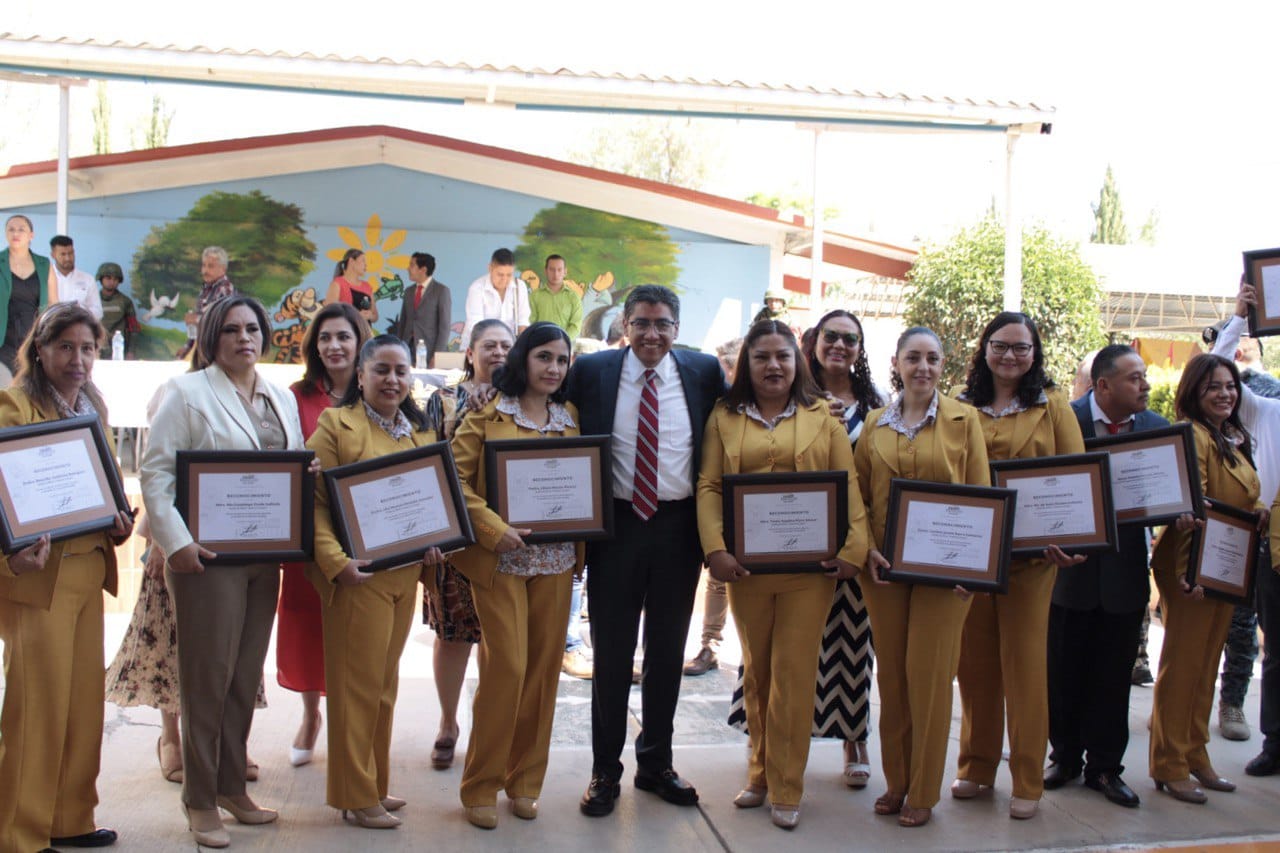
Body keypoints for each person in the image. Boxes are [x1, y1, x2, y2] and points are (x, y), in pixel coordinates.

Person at [141, 294, 306, 848]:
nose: (245, 338)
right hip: (205, 561)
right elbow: (157, 472)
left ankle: (234, 788)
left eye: (253, 328)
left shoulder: (280, 397)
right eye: (232, 329)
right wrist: (177, 544)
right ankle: (200, 799)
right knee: (206, 679)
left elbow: (294, 471)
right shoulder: (186, 393)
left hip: (265, 560)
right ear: (213, 337)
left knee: (242, 679)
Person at [697, 319, 870, 829]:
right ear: (746, 365)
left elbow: (849, 487)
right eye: (761, 357)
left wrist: (853, 548)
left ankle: (787, 785)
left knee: (793, 676)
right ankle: (759, 775)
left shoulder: (824, 417)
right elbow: (709, 485)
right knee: (757, 673)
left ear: (798, 363)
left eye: (782, 357)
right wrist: (716, 549)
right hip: (746, 570)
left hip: (809, 572)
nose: (773, 366)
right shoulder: (724, 417)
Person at [567, 284, 725, 817]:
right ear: (625, 326)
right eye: (641, 323)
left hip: (679, 530)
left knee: (666, 654)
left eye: (662, 324)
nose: (651, 334)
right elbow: (539, 402)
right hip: (617, 530)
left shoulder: (703, 371)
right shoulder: (592, 372)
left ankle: (655, 764)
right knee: (611, 657)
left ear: (677, 329)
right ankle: (604, 773)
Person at [0, 303, 133, 853]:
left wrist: (118, 520)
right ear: (39, 349)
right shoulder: (12, 407)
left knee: (82, 703)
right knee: (37, 706)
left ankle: (70, 819)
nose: (78, 360)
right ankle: (18, 832)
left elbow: (101, 487)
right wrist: (8, 556)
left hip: (86, 570)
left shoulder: (92, 406)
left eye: (88, 349)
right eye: (65, 347)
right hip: (37, 579)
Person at [852, 325, 989, 828]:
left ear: (942, 365)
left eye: (932, 358)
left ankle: (924, 792)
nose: (923, 367)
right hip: (886, 573)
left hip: (945, 574)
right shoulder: (874, 423)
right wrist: (865, 549)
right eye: (914, 358)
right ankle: (897, 781)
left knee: (930, 680)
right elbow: (859, 496)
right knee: (893, 678)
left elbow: (981, 495)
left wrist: (972, 565)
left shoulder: (963, 420)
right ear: (898, 362)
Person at [951, 312, 1087, 820]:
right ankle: (976, 766)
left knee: (1026, 667)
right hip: (973, 556)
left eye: (1021, 348)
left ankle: (1027, 778)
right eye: (1000, 345)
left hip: (1033, 560)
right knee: (976, 665)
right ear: (984, 348)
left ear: (1035, 353)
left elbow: (1074, 477)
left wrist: (1070, 540)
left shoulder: (1052, 405)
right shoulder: (959, 406)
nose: (1010, 356)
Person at [449, 321, 584, 829]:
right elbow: (454, 480)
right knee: (506, 670)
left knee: (543, 677)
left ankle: (525, 782)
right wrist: (491, 527)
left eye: (561, 360)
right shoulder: (485, 415)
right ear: (523, 359)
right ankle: (480, 786)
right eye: (544, 357)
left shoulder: (570, 418)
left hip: (556, 563)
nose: (553, 368)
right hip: (503, 563)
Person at [308, 333, 444, 829]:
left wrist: (434, 544)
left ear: (412, 378)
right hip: (357, 578)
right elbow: (315, 504)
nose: (392, 380)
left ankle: (375, 785)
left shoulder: (421, 431)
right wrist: (336, 562)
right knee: (356, 688)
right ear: (360, 375)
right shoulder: (335, 424)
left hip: (404, 576)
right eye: (381, 370)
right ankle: (353, 793)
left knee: (384, 687)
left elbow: (431, 503)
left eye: (401, 371)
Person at [1046, 344, 1167, 808]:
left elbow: (1169, 493)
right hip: (1067, 570)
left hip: (1125, 573)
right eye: (1134, 377)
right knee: (1063, 671)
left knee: (1114, 677)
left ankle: (1104, 768)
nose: (1145, 386)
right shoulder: (1064, 421)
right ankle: (1065, 758)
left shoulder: (1158, 430)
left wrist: (1180, 512)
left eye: (1143, 377)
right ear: (1103, 385)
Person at [1148, 353, 1267, 803]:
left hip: (1224, 570)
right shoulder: (1192, 436)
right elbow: (1192, 508)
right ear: (1194, 392)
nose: (1225, 394)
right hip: (1192, 570)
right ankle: (1169, 763)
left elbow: (1236, 497)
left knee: (1205, 668)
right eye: (1213, 386)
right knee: (1182, 668)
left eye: (1230, 386)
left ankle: (1196, 755)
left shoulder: (1231, 438)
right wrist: (1185, 574)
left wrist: (1255, 513)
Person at [278, 302, 371, 768]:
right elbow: (279, 454)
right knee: (306, 619)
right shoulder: (294, 396)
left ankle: (350, 728)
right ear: (315, 346)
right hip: (310, 529)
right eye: (326, 338)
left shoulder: (377, 390)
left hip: (364, 529)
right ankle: (312, 715)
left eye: (344, 337)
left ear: (360, 343)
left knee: (357, 630)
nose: (334, 346)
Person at [421, 318, 515, 768]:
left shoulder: (526, 398)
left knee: (500, 638)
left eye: (506, 346)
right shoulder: (442, 400)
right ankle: (446, 721)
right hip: (456, 536)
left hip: (510, 538)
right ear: (470, 352)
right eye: (489, 345)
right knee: (453, 633)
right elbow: (429, 460)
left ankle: (488, 724)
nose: (498, 352)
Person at [1210, 279, 1280, 777]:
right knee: (1272, 647)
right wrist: (1238, 317)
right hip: (1273, 541)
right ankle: (1276, 742)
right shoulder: (1266, 410)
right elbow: (1217, 371)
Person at [685, 336, 744, 677]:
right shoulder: (717, 405)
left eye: (730, 368)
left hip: (760, 509)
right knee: (717, 578)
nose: (724, 375)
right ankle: (710, 644)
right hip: (718, 499)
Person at [0, 214, 55, 375]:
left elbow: (53, 304)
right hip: (4, 341)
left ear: (31, 235)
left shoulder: (44, 264)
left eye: (21, 229)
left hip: (34, 339)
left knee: (31, 390)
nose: (15, 233)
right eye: (11, 229)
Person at [391, 251, 451, 365]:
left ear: (423, 269)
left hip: (430, 349)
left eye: (412, 265)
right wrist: (398, 348)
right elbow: (403, 322)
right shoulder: (408, 291)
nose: (408, 268)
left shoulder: (441, 291)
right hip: (407, 348)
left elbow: (444, 326)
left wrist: (437, 355)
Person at [176, 246, 236, 359]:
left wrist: (197, 319)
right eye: (203, 265)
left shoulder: (225, 289)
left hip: (218, 353)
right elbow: (196, 331)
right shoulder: (205, 290)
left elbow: (225, 321)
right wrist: (187, 347)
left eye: (210, 266)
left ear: (223, 269)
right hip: (202, 351)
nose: (205, 271)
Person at [461, 248, 529, 342]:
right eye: (500, 274)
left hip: (509, 346)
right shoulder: (477, 288)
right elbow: (476, 325)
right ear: (490, 268)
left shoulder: (520, 287)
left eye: (509, 275)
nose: (504, 280)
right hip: (479, 345)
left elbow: (523, 321)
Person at [528, 254, 583, 341]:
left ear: (565, 272)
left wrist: (561, 341)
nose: (556, 273)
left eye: (559, 270)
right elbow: (531, 323)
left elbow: (575, 326)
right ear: (546, 271)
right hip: (540, 345)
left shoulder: (574, 297)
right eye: (552, 269)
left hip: (564, 347)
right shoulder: (535, 296)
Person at [49, 235, 104, 319]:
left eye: (70, 253)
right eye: (63, 254)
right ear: (53, 255)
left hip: (79, 328)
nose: (67, 258)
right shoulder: (45, 278)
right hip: (52, 328)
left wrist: (80, 312)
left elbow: (98, 312)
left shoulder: (87, 279)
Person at [325, 248, 378, 324]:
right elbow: (329, 313)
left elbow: (375, 316)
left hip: (365, 334)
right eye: (363, 260)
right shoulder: (338, 283)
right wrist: (356, 316)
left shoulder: (367, 286)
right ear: (351, 261)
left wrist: (370, 316)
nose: (366, 264)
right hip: (346, 333)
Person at [96, 262, 137, 359]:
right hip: (97, 349)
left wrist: (131, 352)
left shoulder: (125, 302)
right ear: (101, 279)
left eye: (115, 279)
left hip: (118, 349)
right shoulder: (93, 299)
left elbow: (134, 328)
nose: (112, 282)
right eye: (108, 278)